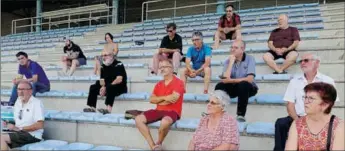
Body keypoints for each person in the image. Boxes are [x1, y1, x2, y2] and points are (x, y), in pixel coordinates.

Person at [273, 53, 339, 151]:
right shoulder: (294, 81)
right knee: (281, 123)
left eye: (306, 60)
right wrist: (298, 121)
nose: (302, 63)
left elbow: (329, 104)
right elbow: (290, 105)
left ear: (317, 63)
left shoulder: (328, 81)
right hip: (298, 117)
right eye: (301, 61)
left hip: (319, 118)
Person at [135, 59, 185, 150]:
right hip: (158, 110)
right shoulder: (158, 84)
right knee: (138, 119)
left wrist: (159, 100)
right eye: (160, 67)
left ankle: (159, 143)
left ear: (171, 68)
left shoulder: (179, 82)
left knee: (165, 122)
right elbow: (152, 100)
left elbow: (173, 99)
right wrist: (165, 98)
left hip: (172, 111)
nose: (162, 69)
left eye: (165, 67)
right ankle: (153, 146)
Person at [285, 82, 344, 150]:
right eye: (305, 97)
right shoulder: (297, 124)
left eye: (311, 98)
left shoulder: (338, 126)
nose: (306, 101)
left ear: (325, 104)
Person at [215, 40, 258, 122]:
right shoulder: (228, 61)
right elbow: (224, 80)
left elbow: (249, 79)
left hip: (248, 88)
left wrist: (231, 80)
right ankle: (216, 112)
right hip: (235, 88)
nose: (232, 49)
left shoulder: (250, 59)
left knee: (243, 84)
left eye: (235, 48)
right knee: (219, 86)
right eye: (231, 47)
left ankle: (240, 115)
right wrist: (231, 62)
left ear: (242, 49)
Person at [1, 81, 45, 150]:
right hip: (19, 132)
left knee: (1, 138)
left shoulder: (36, 103)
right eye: (19, 89)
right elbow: (19, 121)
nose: (20, 92)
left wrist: (19, 128)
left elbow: (40, 125)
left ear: (30, 91)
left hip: (32, 135)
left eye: (23, 89)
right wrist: (9, 124)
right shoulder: (18, 101)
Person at [83, 50, 127, 114]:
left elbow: (119, 79)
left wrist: (106, 87)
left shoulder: (118, 64)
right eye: (102, 55)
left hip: (119, 87)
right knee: (93, 87)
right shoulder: (103, 66)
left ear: (111, 56)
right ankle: (92, 108)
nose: (103, 57)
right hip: (108, 86)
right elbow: (102, 79)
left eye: (105, 55)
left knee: (110, 87)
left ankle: (108, 110)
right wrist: (103, 87)